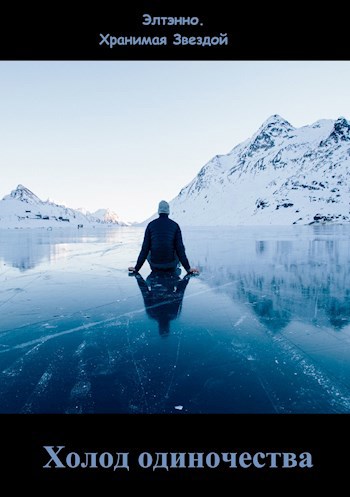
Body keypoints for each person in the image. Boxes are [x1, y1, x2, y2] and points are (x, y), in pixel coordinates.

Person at [128, 200, 199, 274]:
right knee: (179, 247)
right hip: (171, 265)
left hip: (155, 265)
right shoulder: (175, 225)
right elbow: (180, 249)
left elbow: (144, 249)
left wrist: (136, 268)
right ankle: (178, 266)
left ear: (159, 211)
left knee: (148, 248)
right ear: (168, 211)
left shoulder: (150, 225)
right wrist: (188, 268)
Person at [133, 271, 191, 335]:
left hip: (157, 277)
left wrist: (137, 276)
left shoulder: (154, 314)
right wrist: (187, 277)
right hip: (167, 277)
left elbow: (145, 292)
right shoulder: (172, 314)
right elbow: (180, 291)